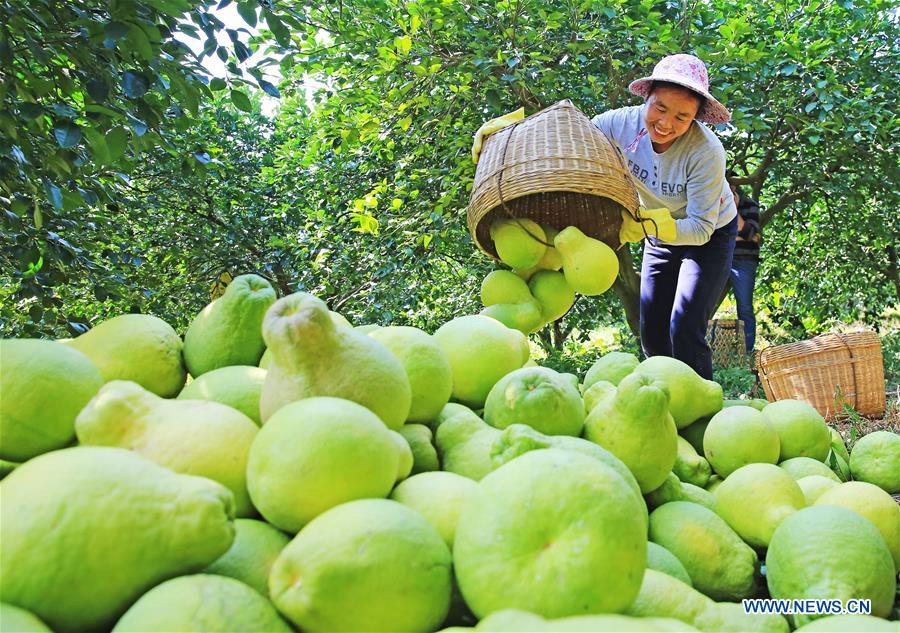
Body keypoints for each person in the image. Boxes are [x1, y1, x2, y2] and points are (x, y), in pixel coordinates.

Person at [471, 53, 736, 380]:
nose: (666, 123)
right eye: (660, 108)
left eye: (682, 117)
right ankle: (663, 397)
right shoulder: (618, 124)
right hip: (655, 231)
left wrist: (649, 225)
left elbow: (700, 227)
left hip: (708, 236)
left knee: (685, 324)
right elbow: (568, 137)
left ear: (696, 118)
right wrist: (509, 131)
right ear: (647, 98)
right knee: (651, 328)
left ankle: (701, 411)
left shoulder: (705, 152)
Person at [725, 171, 761, 355]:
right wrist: (744, 235)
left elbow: (752, 236)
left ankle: (747, 351)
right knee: (701, 300)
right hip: (721, 257)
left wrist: (733, 209)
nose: (729, 189)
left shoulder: (750, 206)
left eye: (732, 186)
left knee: (745, 305)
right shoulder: (713, 204)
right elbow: (711, 236)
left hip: (744, 261)